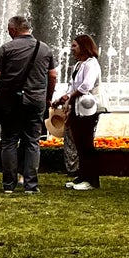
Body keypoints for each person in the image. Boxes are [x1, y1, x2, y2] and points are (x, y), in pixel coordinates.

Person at [0, 16, 56, 195]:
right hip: (36, 101)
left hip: (11, 102)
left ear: (13, 30)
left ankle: (9, 185)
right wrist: (48, 97)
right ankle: (31, 186)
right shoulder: (45, 48)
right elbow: (53, 75)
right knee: (33, 142)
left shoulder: (7, 48)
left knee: (9, 141)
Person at [56, 33, 104, 191]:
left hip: (88, 108)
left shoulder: (92, 64)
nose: (72, 49)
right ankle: (83, 175)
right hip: (77, 108)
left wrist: (68, 96)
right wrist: (64, 99)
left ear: (84, 47)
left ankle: (92, 179)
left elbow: (85, 86)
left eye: (75, 46)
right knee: (79, 143)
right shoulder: (79, 65)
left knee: (87, 143)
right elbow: (73, 85)